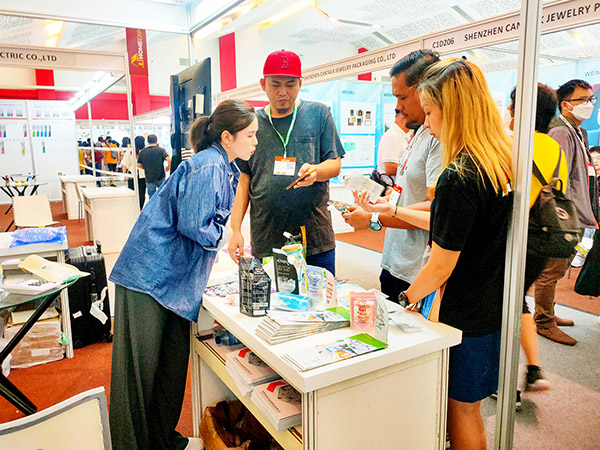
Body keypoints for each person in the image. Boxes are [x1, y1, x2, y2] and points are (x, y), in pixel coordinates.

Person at [357, 58, 513, 450]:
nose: (426, 123)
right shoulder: (497, 163)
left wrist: (403, 301)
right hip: (491, 301)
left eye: (430, 112)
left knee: (460, 412)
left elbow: (442, 263)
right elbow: (451, 223)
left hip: (462, 309)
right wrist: (392, 210)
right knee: (470, 409)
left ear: (453, 110)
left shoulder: (458, 176)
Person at [108, 99, 258, 450]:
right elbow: (196, 226)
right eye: (250, 135)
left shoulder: (224, 167)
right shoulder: (208, 166)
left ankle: (162, 441)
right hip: (149, 278)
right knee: (138, 378)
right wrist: (226, 236)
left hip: (173, 281)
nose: (255, 142)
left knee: (169, 371)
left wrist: (225, 236)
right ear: (227, 137)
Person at [228, 50, 344, 275]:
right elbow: (243, 179)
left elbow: (334, 164)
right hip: (266, 238)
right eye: (275, 85)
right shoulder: (252, 123)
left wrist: (315, 171)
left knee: (319, 296)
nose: (283, 92)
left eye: (290, 85)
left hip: (314, 238)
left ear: (300, 83)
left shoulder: (318, 114)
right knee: (271, 296)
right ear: (263, 84)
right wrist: (235, 229)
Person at [343, 49, 442, 302]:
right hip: (394, 260)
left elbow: (435, 211)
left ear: (426, 89)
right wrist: (381, 205)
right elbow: (408, 194)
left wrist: (374, 216)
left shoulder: (438, 138)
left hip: (415, 269)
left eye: (402, 97)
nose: (398, 107)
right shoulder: (418, 132)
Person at [534, 79, 600, 345]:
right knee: (552, 270)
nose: (588, 104)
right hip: (565, 216)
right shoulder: (561, 131)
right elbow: (558, 178)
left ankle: (547, 313)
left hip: (576, 213)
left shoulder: (577, 131)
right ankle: (544, 321)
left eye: (590, 99)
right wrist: (566, 215)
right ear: (565, 104)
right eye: (582, 99)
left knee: (557, 268)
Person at [376, 110, 412, 180]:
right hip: (391, 185)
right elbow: (390, 168)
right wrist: (414, 170)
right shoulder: (393, 136)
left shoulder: (402, 135)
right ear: (403, 116)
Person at [138, 134, 171, 199]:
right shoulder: (161, 150)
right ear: (156, 141)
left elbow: (138, 164)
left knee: (152, 197)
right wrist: (168, 167)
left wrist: (146, 167)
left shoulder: (143, 151)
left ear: (148, 142)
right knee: (163, 195)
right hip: (160, 176)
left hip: (149, 177)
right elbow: (169, 159)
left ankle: (153, 206)